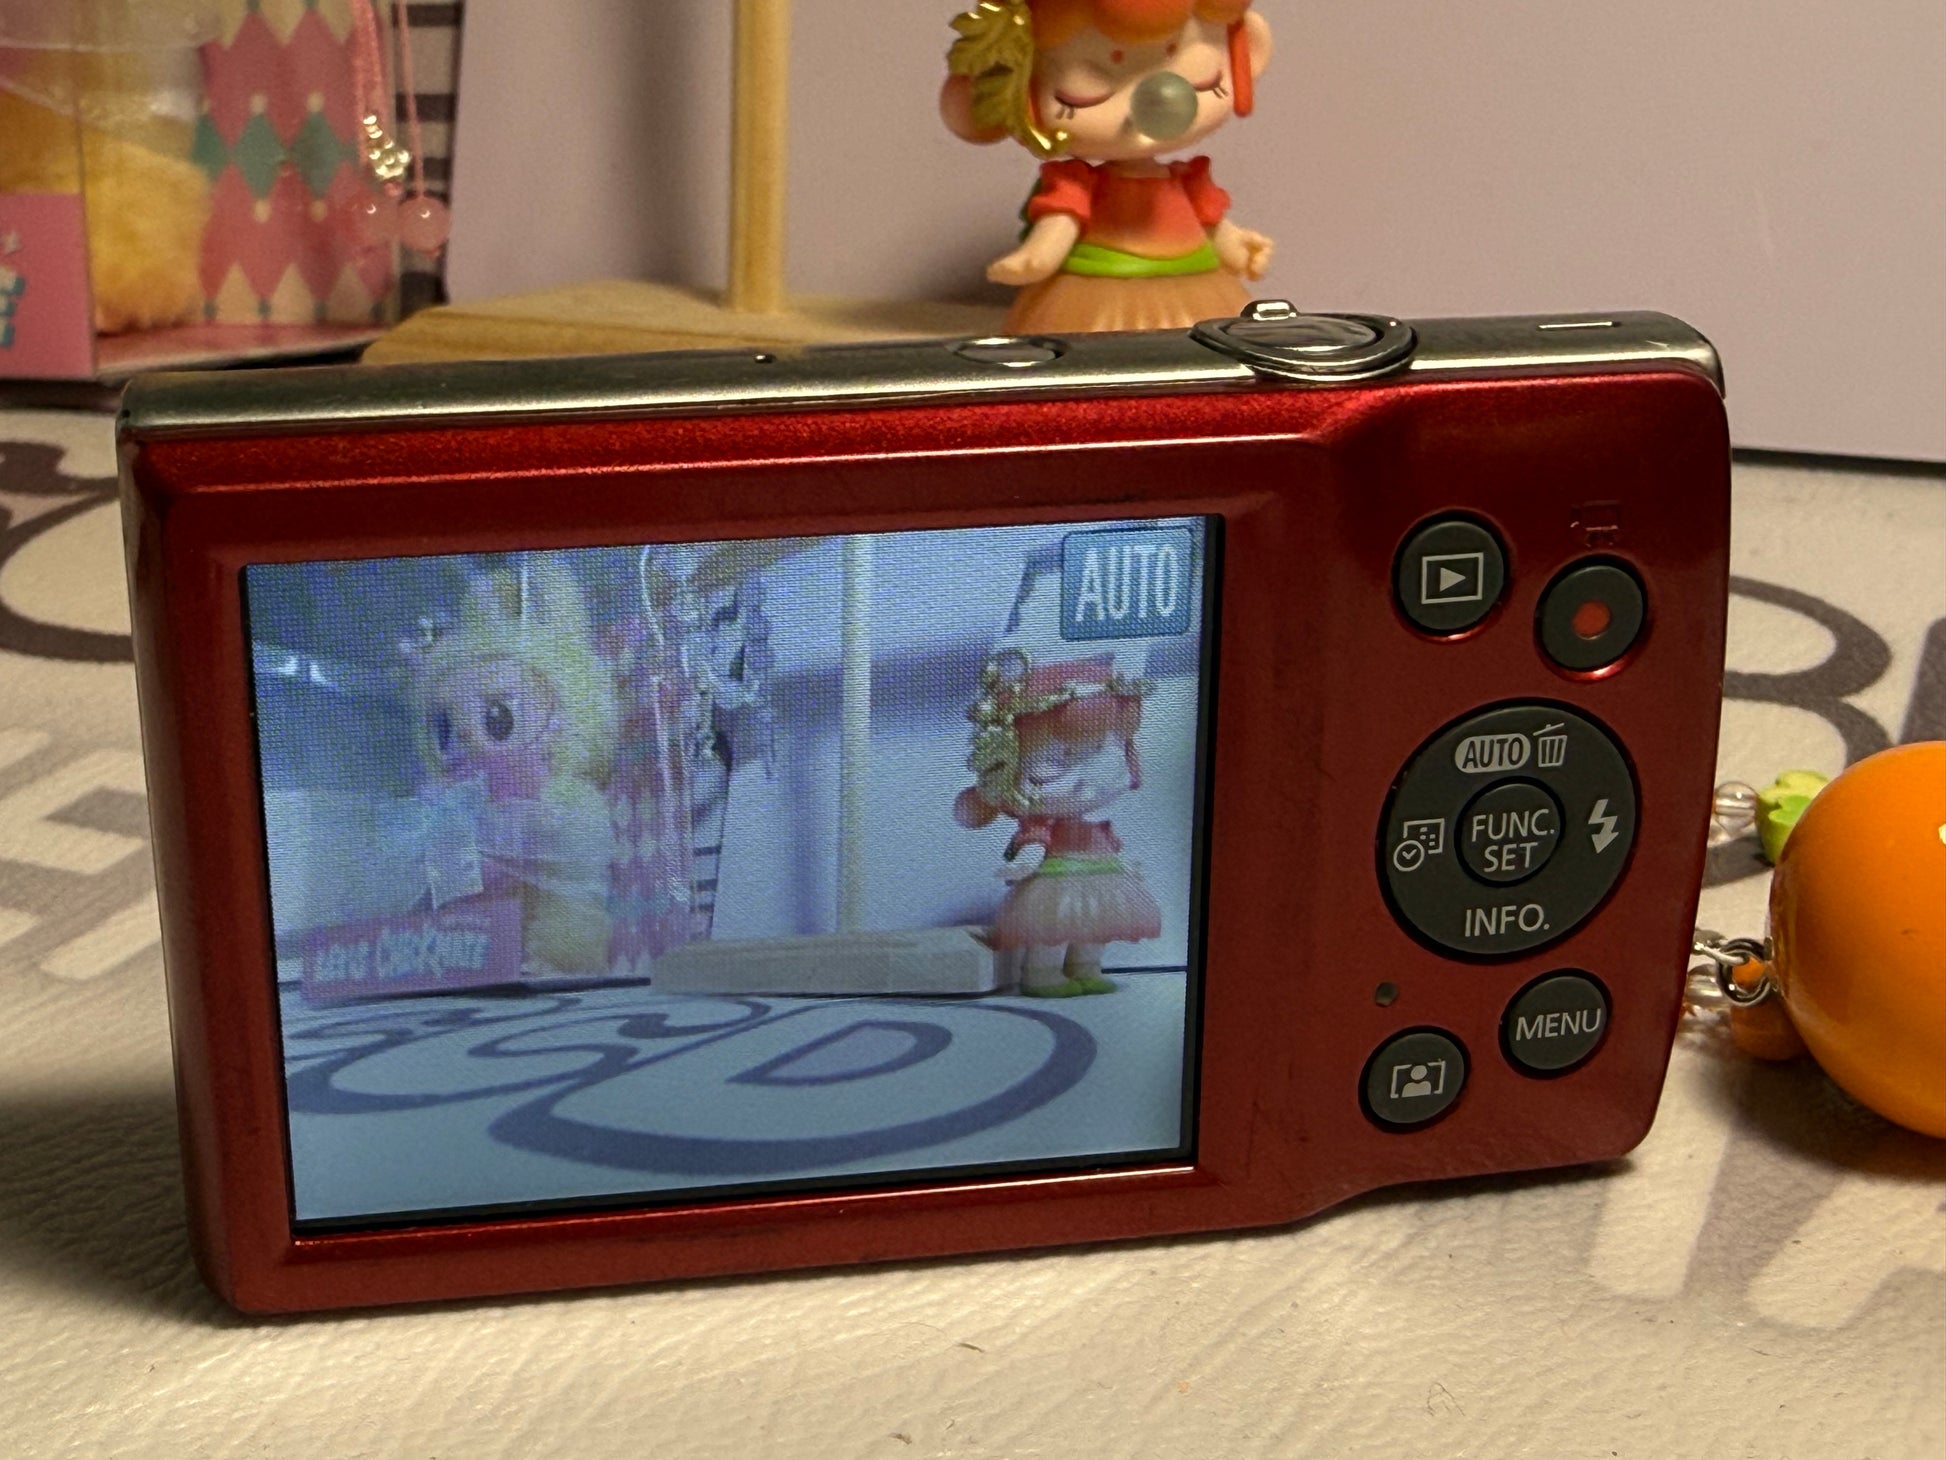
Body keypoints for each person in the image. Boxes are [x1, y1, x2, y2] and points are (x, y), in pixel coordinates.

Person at [942, 0, 1275, 333]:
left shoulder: (1189, 181)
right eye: (1088, 90)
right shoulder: (1078, 185)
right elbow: (1062, 221)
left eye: (1201, 75)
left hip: (1199, 289)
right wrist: (1039, 256)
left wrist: (1237, 246)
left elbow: (1210, 222)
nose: (1158, 99)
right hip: (1097, 299)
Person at [955, 650, 1163, 996]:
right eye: (1063, 757)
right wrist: (1024, 863)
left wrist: (1129, 866)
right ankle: (1041, 973)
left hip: (1103, 875)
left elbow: (1108, 839)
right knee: (1054, 929)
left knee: (1097, 928)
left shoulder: (1097, 821)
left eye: (1109, 746)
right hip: (1058, 878)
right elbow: (1031, 845)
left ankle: (1086, 968)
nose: (1090, 771)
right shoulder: (1043, 821)